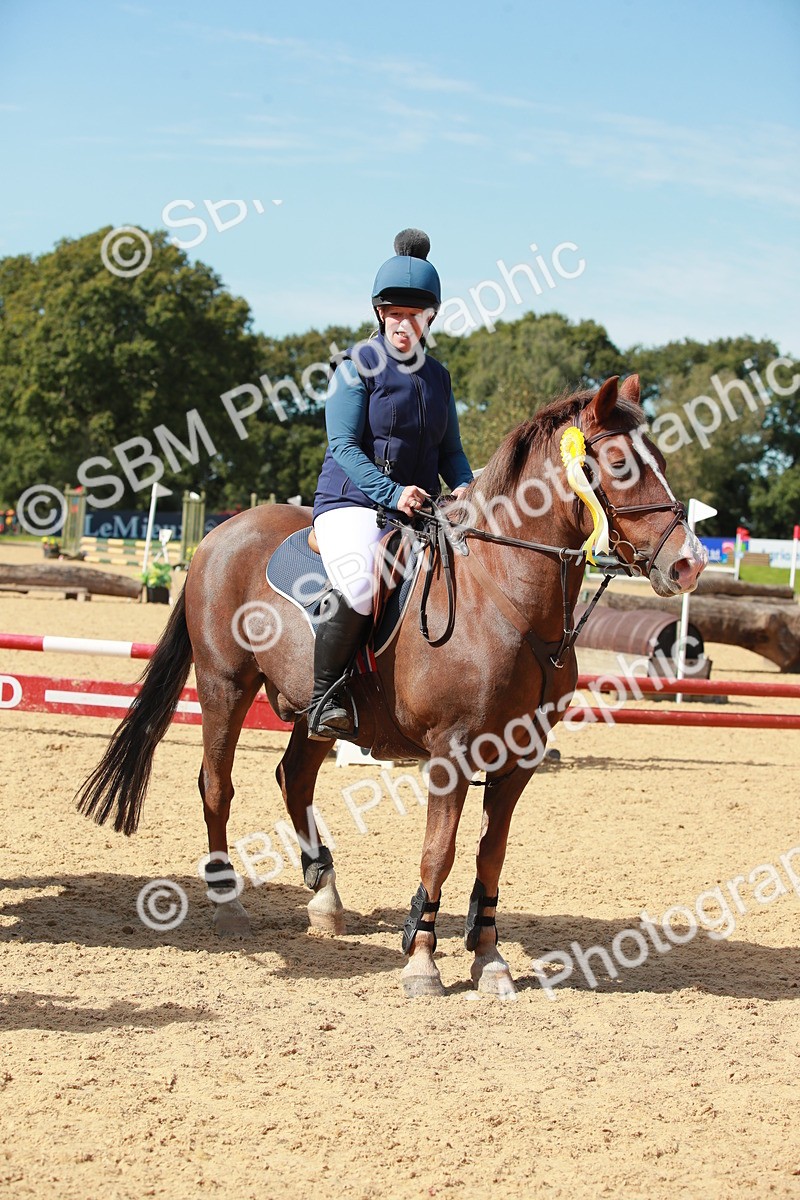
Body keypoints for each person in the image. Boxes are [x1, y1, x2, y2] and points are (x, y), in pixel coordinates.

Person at [308, 228, 474, 740]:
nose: (405, 324)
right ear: (380, 313)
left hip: (417, 508)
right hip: (351, 502)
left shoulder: (439, 377)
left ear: (431, 317)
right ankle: (324, 697)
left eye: (416, 314)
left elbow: (451, 451)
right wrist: (391, 492)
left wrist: (467, 485)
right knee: (361, 581)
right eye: (395, 314)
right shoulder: (356, 366)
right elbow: (343, 447)